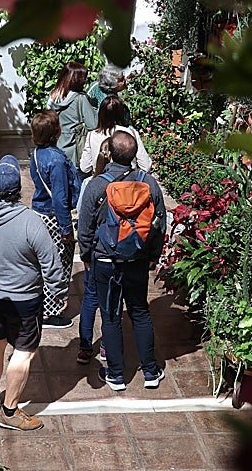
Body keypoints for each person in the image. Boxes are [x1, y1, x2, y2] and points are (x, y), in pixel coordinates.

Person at [0, 155, 66, 432]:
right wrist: (58, 292)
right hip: (24, 300)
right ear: (18, 191)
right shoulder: (31, 221)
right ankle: (9, 411)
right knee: (24, 351)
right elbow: (51, 263)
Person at [77, 131, 167, 391]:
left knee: (111, 316)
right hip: (137, 258)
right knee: (140, 312)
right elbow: (159, 224)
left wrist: (87, 256)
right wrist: (153, 256)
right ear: (134, 154)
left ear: (109, 154)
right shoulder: (148, 183)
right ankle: (150, 371)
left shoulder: (97, 185)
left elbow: (85, 227)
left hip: (105, 259)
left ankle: (116, 375)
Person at [26, 109, 79, 330]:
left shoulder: (36, 154)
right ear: (56, 132)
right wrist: (66, 228)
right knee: (59, 262)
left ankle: (41, 306)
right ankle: (51, 311)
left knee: (43, 261)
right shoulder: (56, 160)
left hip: (40, 212)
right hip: (54, 217)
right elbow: (59, 197)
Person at [78, 95, 152, 177]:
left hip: (101, 178)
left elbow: (85, 168)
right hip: (127, 179)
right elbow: (146, 166)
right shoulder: (131, 133)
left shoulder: (92, 135)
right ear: (121, 113)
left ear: (101, 114)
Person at [46, 61, 98, 174]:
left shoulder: (53, 96)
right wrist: (94, 109)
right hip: (74, 152)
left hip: (56, 148)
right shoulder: (80, 98)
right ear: (77, 80)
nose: (86, 81)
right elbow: (93, 124)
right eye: (84, 78)